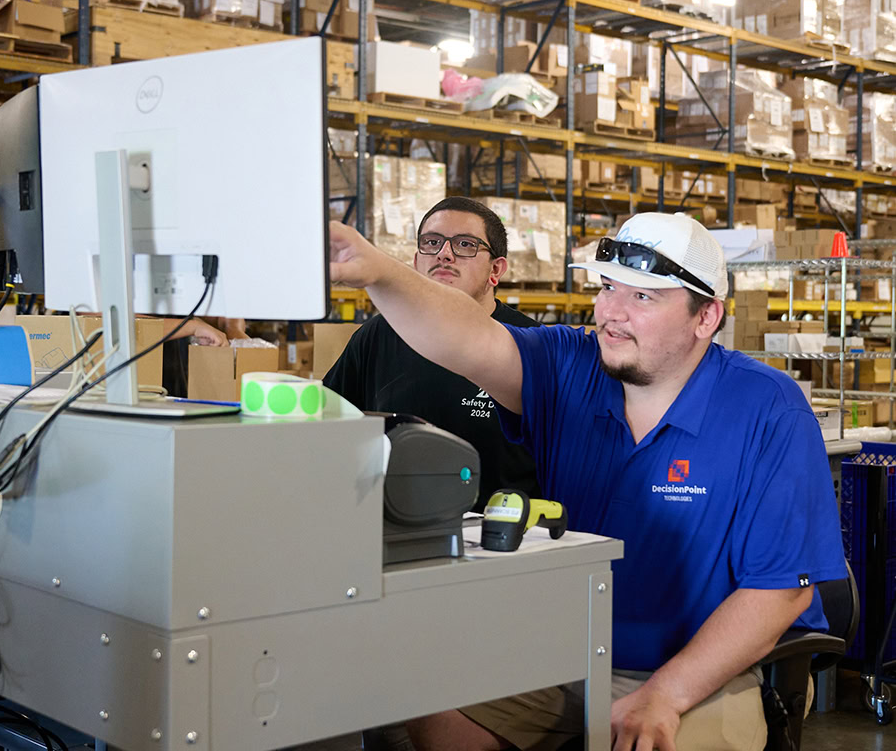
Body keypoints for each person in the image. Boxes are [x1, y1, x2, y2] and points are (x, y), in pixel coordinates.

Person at [328, 211, 846, 751]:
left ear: (706, 317)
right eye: (606, 287)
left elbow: (781, 590)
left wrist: (666, 694)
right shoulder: (569, 367)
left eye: (643, 297)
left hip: (711, 666)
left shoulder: (766, 408)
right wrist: (377, 271)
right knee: (439, 714)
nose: (611, 313)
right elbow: (464, 337)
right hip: (577, 650)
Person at [324, 197, 540, 511]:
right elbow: (330, 425)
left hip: (497, 538)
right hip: (394, 529)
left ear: (496, 269)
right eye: (432, 242)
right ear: (415, 261)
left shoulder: (528, 344)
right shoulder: (377, 336)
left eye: (465, 244)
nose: (444, 253)